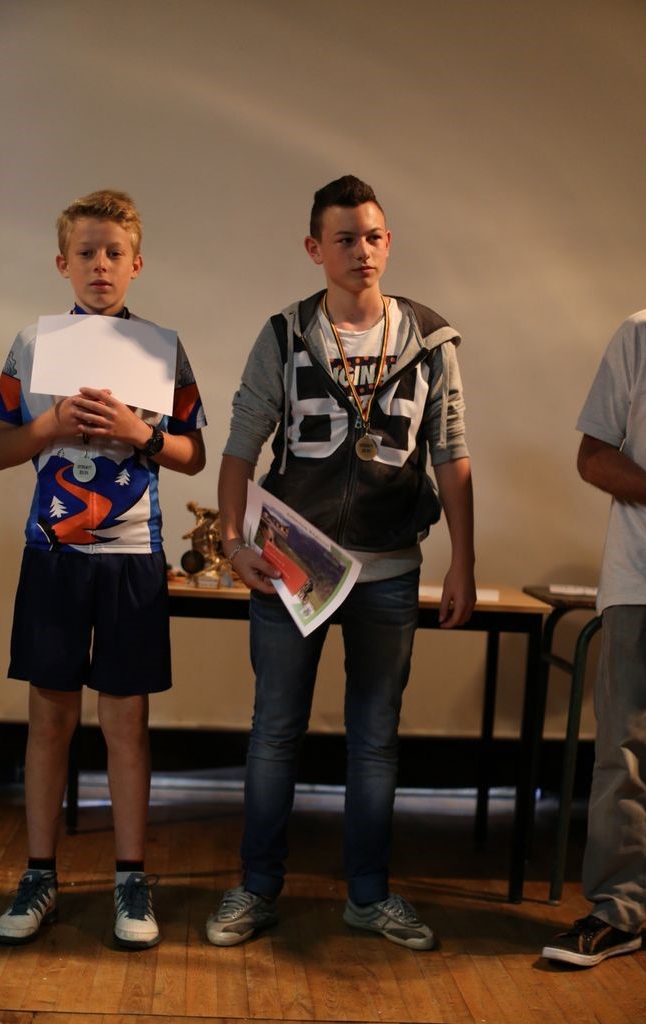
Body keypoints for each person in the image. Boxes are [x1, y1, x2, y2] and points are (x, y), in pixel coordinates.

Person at [207, 175, 475, 950]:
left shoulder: (430, 340)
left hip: (389, 567)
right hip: (294, 562)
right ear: (314, 248)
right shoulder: (285, 334)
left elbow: (451, 454)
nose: (363, 251)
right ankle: (256, 888)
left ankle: (369, 895)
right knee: (274, 732)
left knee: (375, 739)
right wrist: (233, 543)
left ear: (388, 242)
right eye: (346, 238)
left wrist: (462, 561)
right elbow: (239, 447)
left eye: (374, 236)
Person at [0, 189, 206, 949]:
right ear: (62, 263)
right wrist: (48, 424)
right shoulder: (31, 345)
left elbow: (192, 453)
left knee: (125, 722)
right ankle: (38, 874)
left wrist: (140, 433)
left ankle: (130, 880)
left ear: (137, 265)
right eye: (86, 253)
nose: (101, 265)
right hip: (53, 553)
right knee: (49, 718)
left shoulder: (161, 350)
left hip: (131, 557)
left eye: (115, 253)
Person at [541, 309, 646, 968]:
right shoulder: (641, 333)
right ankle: (618, 911)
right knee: (623, 752)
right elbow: (593, 457)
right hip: (641, 577)